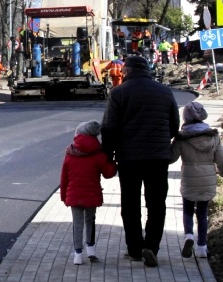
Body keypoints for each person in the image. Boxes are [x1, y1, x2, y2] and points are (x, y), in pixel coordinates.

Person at [101, 54, 180, 267]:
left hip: (129, 158)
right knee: (156, 203)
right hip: (158, 157)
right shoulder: (165, 91)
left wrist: (106, 157)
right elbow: (174, 126)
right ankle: (151, 247)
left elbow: (109, 128)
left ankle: (135, 249)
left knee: (130, 203)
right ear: (147, 69)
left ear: (126, 71)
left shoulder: (118, 93)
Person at [171, 101, 223, 259]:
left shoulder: (182, 138)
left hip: (189, 177)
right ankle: (202, 247)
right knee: (203, 213)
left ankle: (189, 235)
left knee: (188, 210)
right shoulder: (213, 136)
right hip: (207, 178)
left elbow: (172, 157)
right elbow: (222, 159)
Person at [60, 120, 117, 265]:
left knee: (77, 223)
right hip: (91, 194)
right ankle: (91, 251)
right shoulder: (98, 153)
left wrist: (63, 196)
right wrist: (114, 163)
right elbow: (108, 173)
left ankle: (77, 255)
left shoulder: (70, 152)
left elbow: (64, 177)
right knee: (90, 221)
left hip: (73, 194)